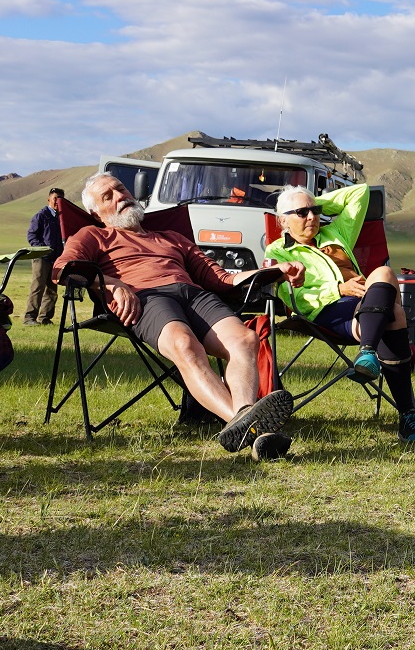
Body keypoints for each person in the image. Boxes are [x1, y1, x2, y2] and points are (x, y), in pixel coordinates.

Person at [56, 172, 295, 459]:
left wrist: (274, 271)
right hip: (145, 297)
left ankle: (244, 417)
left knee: (245, 339)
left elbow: (219, 277)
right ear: (96, 213)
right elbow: (62, 270)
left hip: (193, 294)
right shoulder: (93, 235)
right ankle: (253, 428)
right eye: (108, 196)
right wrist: (111, 284)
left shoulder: (171, 237)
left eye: (120, 189)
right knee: (184, 345)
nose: (120, 196)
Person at [264, 184, 415, 443]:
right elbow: (291, 295)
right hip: (323, 311)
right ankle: (408, 416)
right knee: (395, 315)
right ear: (283, 220)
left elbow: (360, 193)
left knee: (385, 273)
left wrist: (310, 201)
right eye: (301, 212)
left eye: (315, 211)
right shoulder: (277, 251)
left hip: (366, 302)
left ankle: (367, 354)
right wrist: (337, 288)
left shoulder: (336, 233)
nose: (312, 217)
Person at [23, 188, 65, 325]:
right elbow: (31, 235)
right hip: (41, 258)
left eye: (60, 199)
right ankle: (29, 318)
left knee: (52, 290)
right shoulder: (41, 215)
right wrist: (42, 248)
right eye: (55, 198)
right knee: (37, 288)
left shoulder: (62, 217)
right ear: (49, 200)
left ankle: (45, 318)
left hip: (56, 258)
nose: (58, 202)